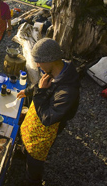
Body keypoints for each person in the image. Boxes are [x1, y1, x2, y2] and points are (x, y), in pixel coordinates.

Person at [16, 38, 80, 185]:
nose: (37, 65)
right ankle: (24, 152)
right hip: (35, 120)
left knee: (35, 161)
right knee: (25, 137)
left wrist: (39, 94)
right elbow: (40, 85)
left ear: (50, 60)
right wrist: (28, 91)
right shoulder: (55, 70)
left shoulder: (67, 91)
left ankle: (32, 180)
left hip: (45, 131)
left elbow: (47, 119)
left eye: (38, 61)